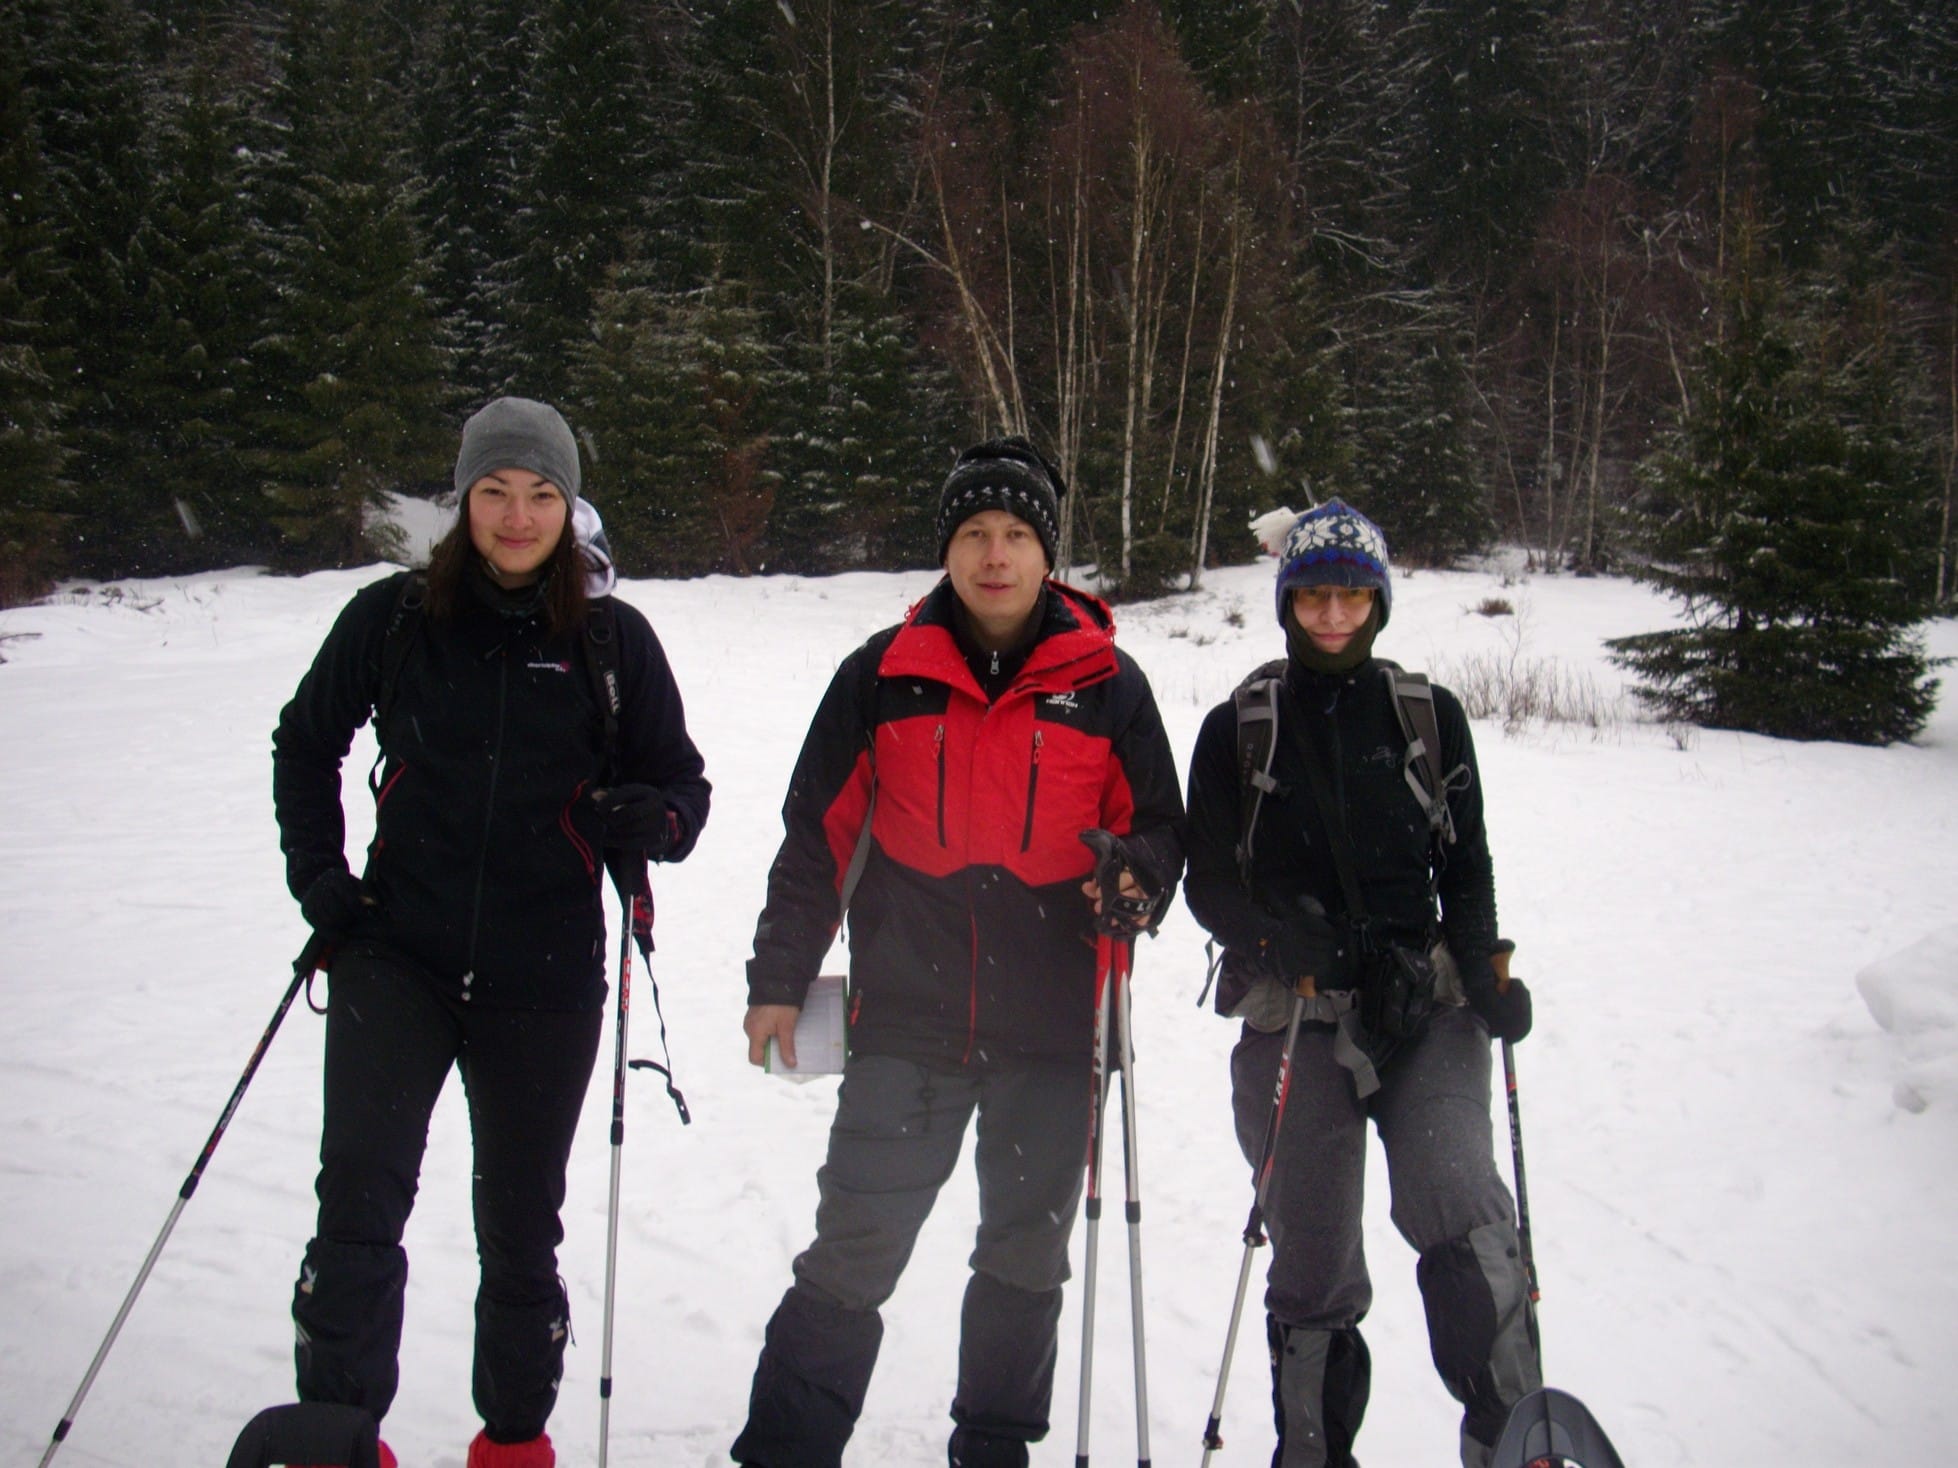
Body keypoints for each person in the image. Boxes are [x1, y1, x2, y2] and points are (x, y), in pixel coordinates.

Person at [270, 397, 711, 1468]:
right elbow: (305, 743)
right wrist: (321, 880)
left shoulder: (609, 639)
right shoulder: (392, 619)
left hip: (545, 972)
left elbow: (683, 791)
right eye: (496, 492)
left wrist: (652, 820)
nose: (517, 517)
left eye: (541, 494)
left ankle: (513, 1444)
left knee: (520, 1229)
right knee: (358, 1205)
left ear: (570, 507)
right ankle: (337, 1438)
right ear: (463, 499)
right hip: (397, 955)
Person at [731, 438, 1185, 1468]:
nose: (994, 555)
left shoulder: (1108, 685)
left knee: (1024, 1258)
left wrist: (1136, 877)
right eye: (974, 533)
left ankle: (993, 1449)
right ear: (946, 548)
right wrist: (777, 978)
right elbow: (817, 838)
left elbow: (1160, 831)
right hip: (907, 1021)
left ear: (1046, 553)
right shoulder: (882, 676)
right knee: (853, 1248)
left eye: (1016, 534)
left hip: (1053, 1031)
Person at [1181, 500, 1539, 1468]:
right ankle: (1313, 1451)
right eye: (1313, 596)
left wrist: (1485, 970)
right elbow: (1206, 879)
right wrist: (1273, 936)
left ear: (1377, 601)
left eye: (1351, 594)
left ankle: (1512, 1436)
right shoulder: (1238, 729)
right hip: (1293, 1010)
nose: (1332, 614)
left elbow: (1464, 862)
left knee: (1457, 1195)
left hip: (1423, 1005)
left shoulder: (1427, 716)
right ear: (1286, 602)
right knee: (1311, 1253)